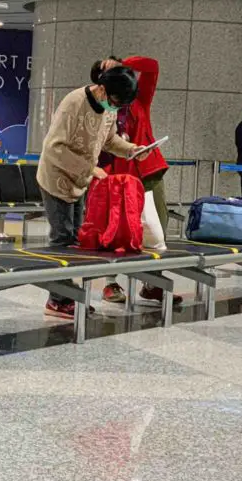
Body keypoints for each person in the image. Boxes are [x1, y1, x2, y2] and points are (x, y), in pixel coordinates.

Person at [37, 66, 142, 319]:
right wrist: (90, 168)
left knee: (75, 240)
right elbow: (53, 148)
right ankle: (57, 300)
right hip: (56, 177)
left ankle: (64, 295)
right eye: (116, 102)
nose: (116, 108)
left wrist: (130, 149)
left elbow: (109, 140)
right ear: (103, 89)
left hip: (80, 180)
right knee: (62, 241)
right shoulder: (74, 103)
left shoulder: (109, 108)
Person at [95, 56, 179, 307]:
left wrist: (123, 63)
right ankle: (110, 282)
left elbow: (152, 66)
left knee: (157, 230)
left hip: (148, 173)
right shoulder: (101, 105)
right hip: (117, 177)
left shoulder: (140, 100)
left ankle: (153, 284)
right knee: (115, 230)